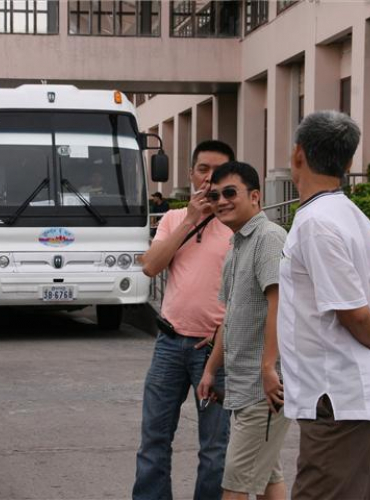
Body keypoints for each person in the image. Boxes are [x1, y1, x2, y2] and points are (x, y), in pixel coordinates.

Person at [278, 111, 370, 500]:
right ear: (350, 162)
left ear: (298, 154)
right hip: (346, 397)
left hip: (334, 396)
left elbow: (356, 312)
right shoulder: (355, 218)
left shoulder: (317, 223)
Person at [133, 140, 235, 500]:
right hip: (169, 344)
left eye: (218, 171)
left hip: (216, 351)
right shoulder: (175, 218)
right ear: (191, 174)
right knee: (154, 439)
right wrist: (191, 220)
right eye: (203, 170)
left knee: (215, 449)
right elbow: (149, 265)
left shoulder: (240, 225)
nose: (209, 179)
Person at [197, 161, 290, 500]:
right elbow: (230, 316)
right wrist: (210, 369)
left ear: (255, 196)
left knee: (234, 487)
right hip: (245, 386)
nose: (221, 200)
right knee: (267, 480)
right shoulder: (237, 245)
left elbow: (280, 304)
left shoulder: (268, 237)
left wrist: (268, 368)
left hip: (263, 389)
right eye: (215, 195)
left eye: (230, 193)